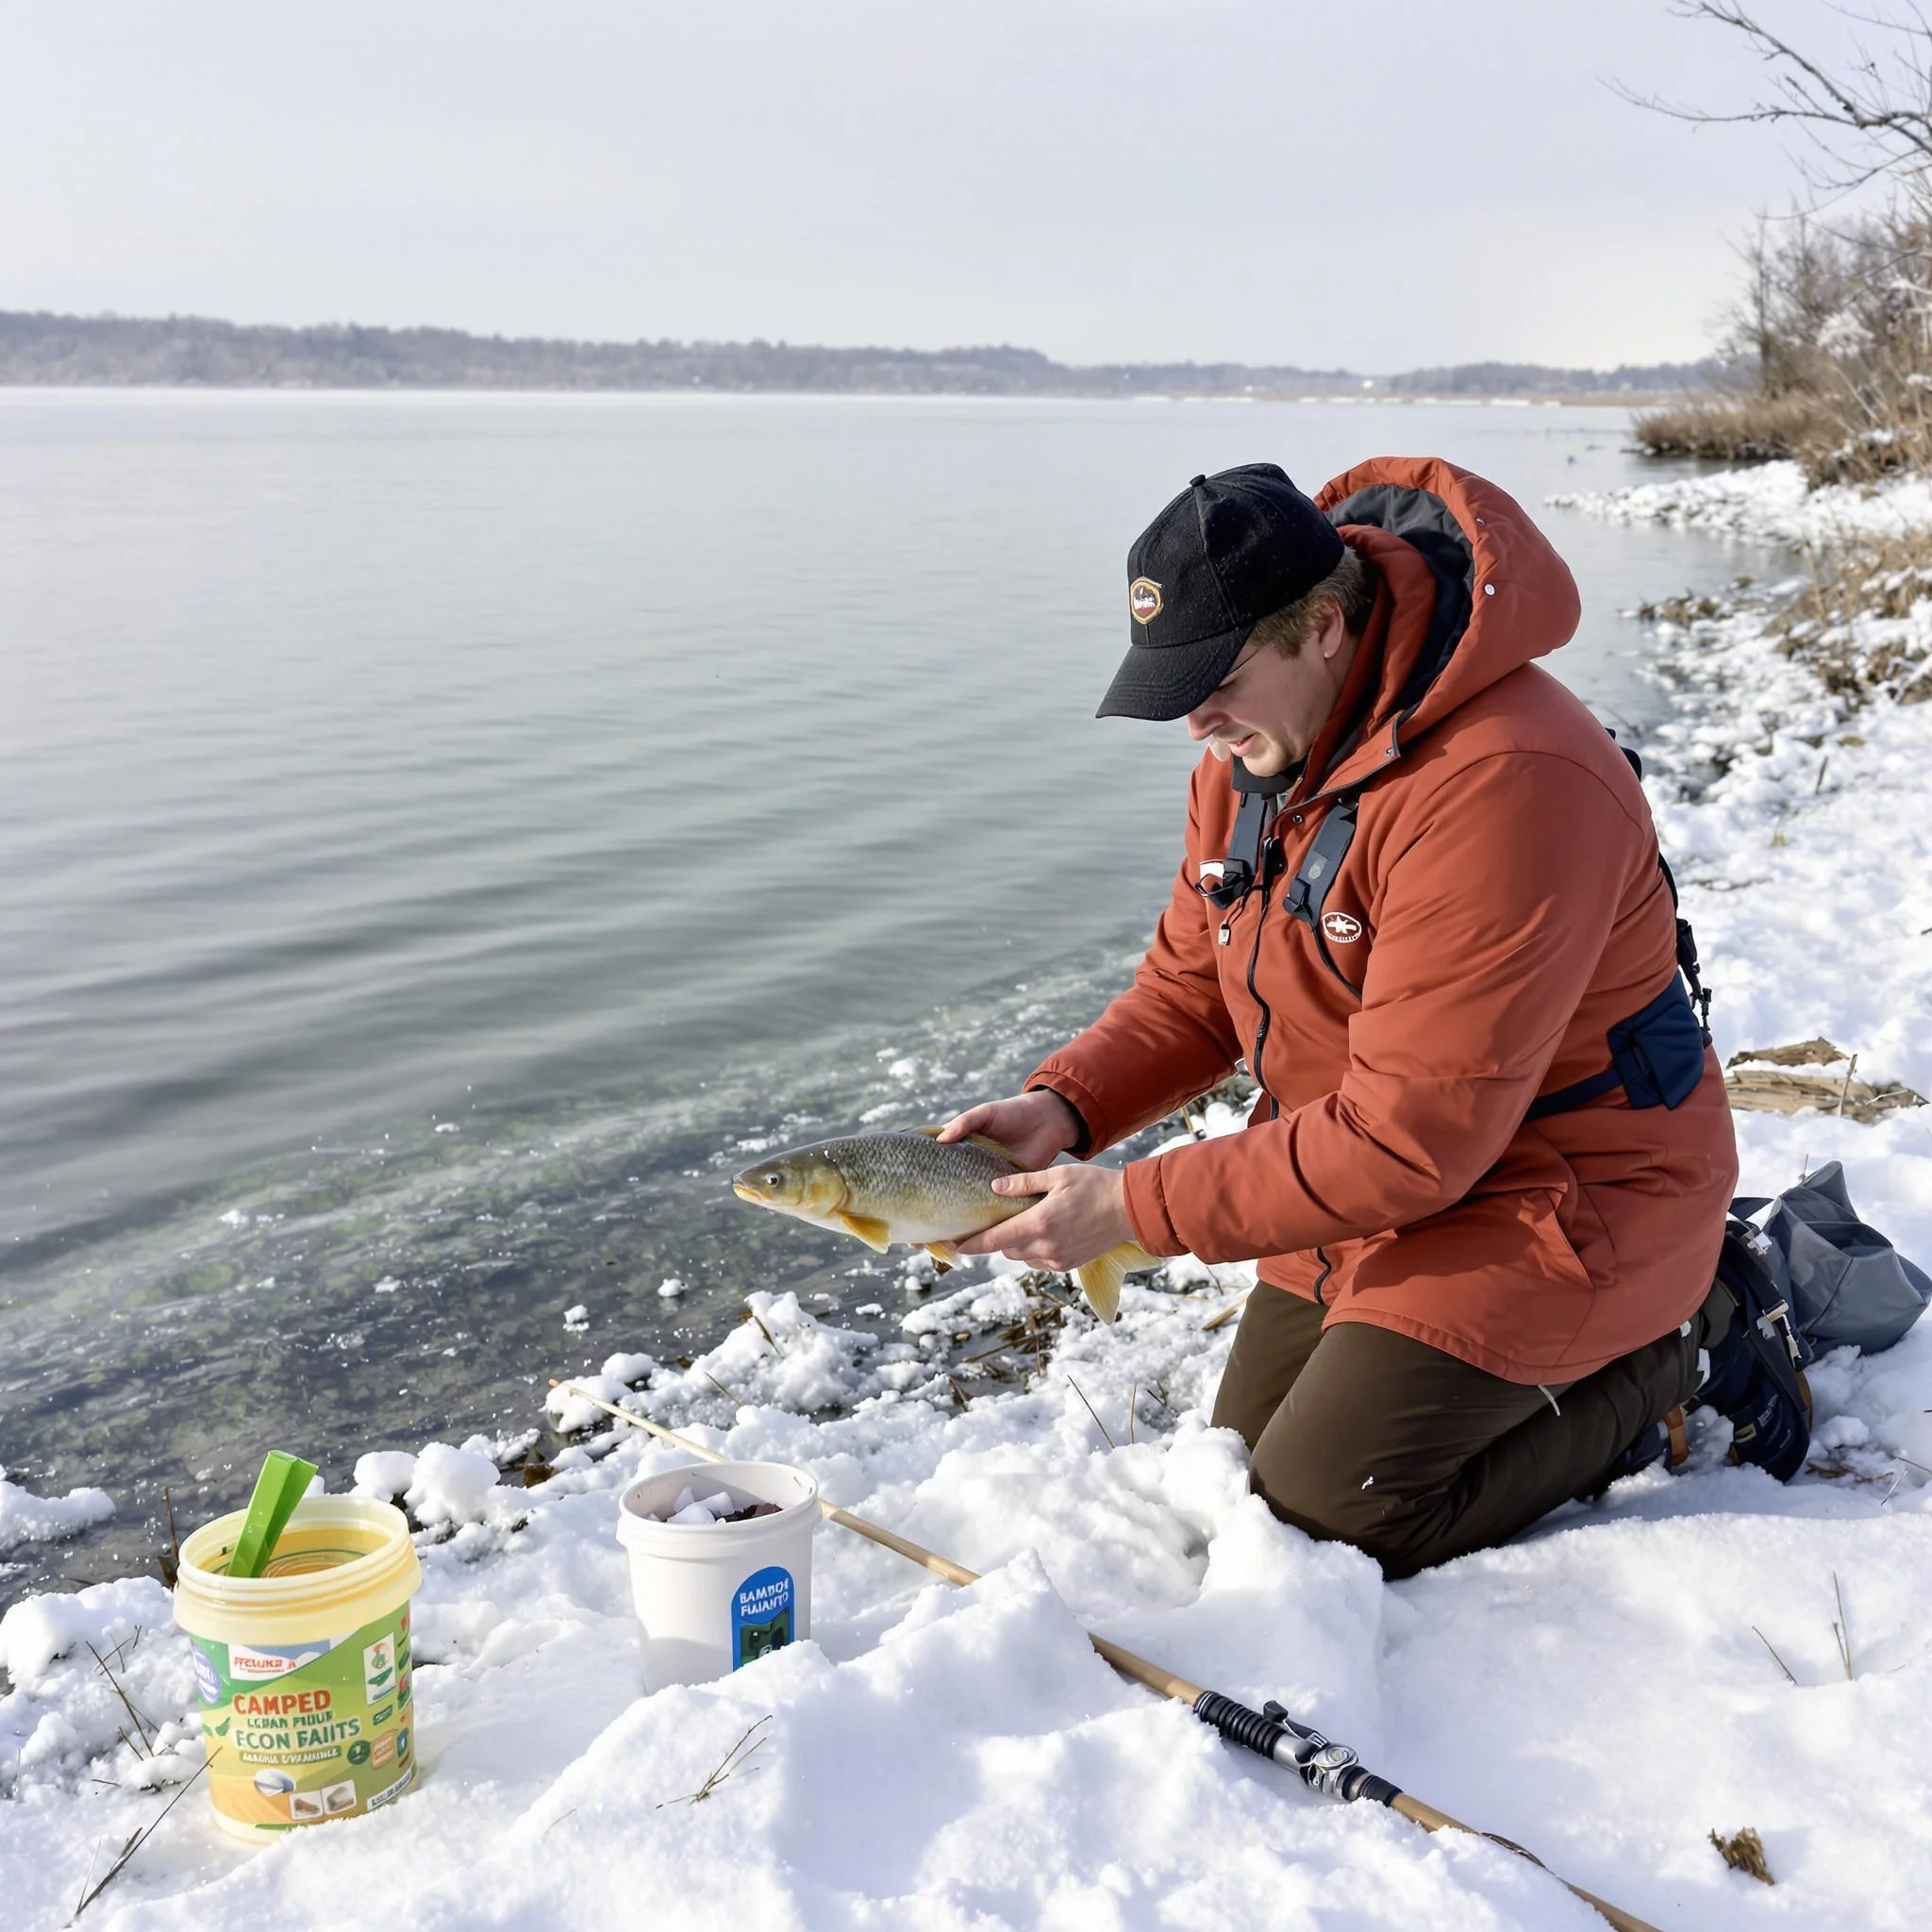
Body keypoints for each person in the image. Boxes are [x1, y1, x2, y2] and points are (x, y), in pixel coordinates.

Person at [941, 458, 1743, 1579]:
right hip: (1371, 1187)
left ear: (1324, 626)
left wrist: (1128, 1205)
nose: (1193, 722)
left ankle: (1684, 1343)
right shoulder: (1252, 755)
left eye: (1212, 678)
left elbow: (1409, 1134)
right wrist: (1064, 1105)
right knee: (1238, 1463)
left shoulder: (1506, 778)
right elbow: (1188, 987)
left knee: (1325, 1511)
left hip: (1567, 1195)